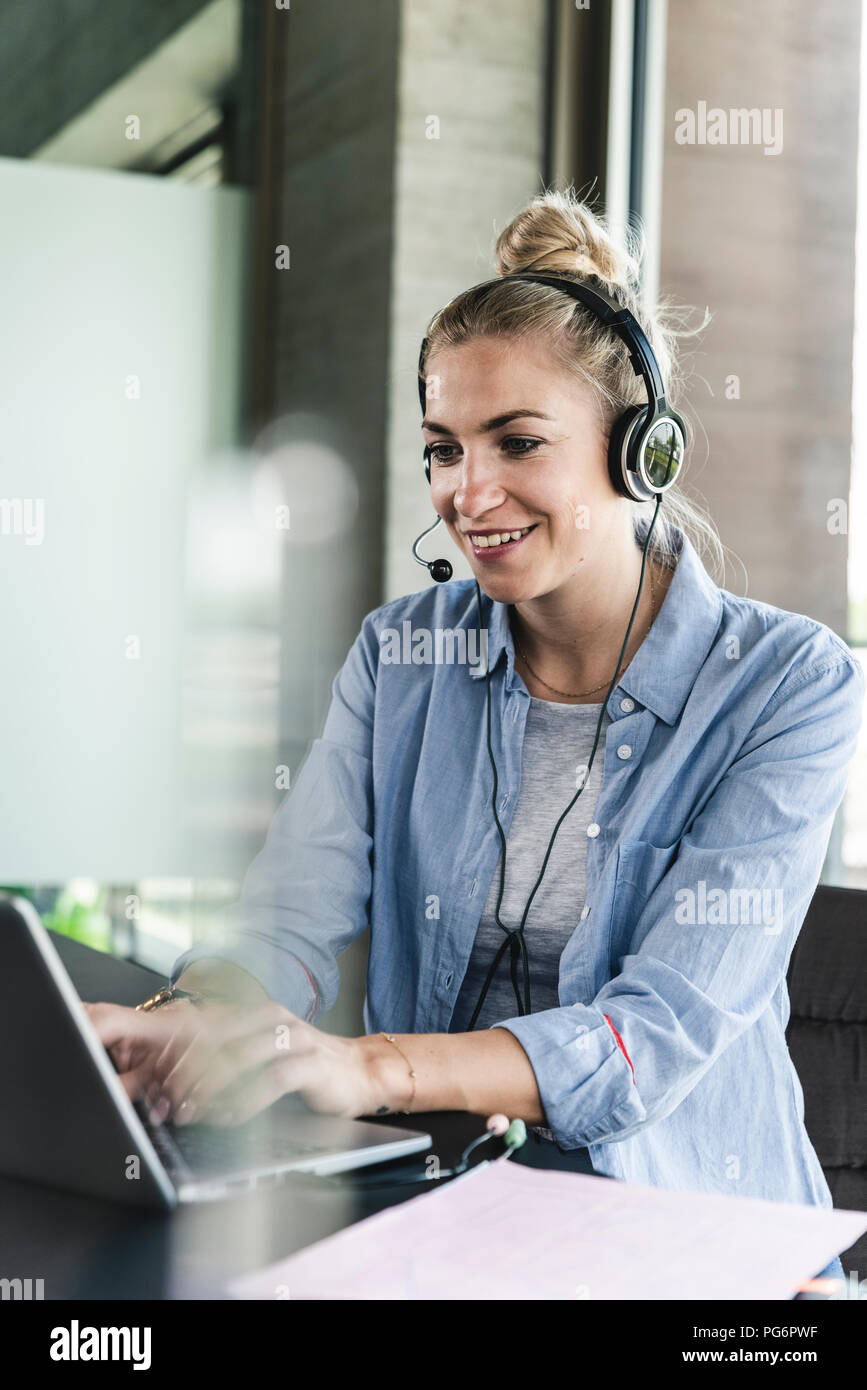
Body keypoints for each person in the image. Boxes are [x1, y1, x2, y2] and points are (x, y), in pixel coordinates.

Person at [86, 190, 862, 1285]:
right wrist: (204, 1018)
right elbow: (294, 925)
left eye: (518, 443)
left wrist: (369, 1069)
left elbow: (651, 1039)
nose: (468, 491)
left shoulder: (790, 684)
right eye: (443, 449)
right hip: (452, 1224)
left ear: (642, 455)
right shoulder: (399, 655)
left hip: (704, 1248)